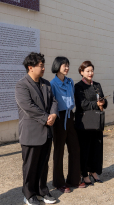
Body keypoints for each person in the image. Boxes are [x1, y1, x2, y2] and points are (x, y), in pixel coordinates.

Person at [15, 52, 58, 205]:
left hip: (46, 132)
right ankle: (29, 194)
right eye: (41, 66)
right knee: (30, 166)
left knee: (43, 164)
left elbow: (54, 100)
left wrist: (53, 114)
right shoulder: (22, 85)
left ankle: (42, 191)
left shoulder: (46, 83)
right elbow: (28, 106)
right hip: (31, 133)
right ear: (30, 67)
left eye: (43, 65)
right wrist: (46, 118)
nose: (44, 68)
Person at [49, 57, 83, 193]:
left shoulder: (70, 82)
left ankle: (73, 179)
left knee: (75, 149)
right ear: (57, 66)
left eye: (68, 65)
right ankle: (58, 182)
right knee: (59, 151)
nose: (67, 67)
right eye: (64, 65)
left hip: (70, 116)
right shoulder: (52, 83)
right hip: (59, 118)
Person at [74, 61, 107, 185]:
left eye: (92, 70)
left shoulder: (97, 85)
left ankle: (93, 171)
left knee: (96, 148)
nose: (90, 73)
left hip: (96, 122)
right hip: (84, 123)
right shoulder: (78, 86)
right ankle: (84, 173)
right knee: (85, 149)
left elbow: (103, 100)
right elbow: (81, 104)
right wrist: (96, 104)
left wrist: (103, 103)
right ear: (81, 72)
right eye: (87, 71)